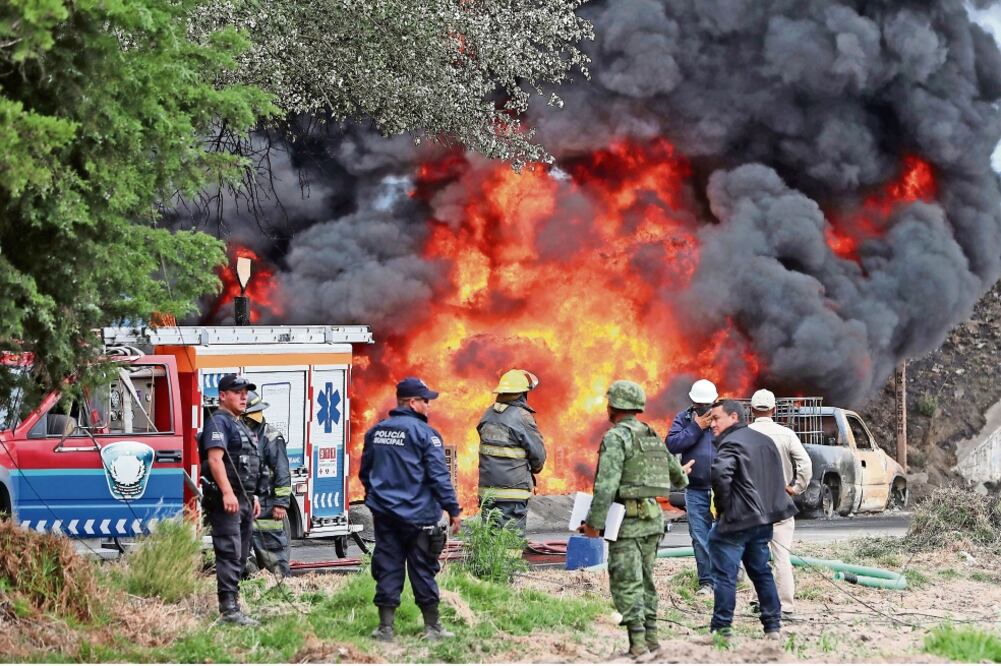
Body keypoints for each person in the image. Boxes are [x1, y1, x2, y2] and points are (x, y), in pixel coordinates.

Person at [581, 380, 691, 657]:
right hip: (653, 521)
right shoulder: (650, 434)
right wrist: (684, 471)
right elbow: (678, 477)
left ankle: (638, 645)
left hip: (628, 524)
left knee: (626, 583)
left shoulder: (616, 437)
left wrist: (593, 524)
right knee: (646, 581)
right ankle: (653, 640)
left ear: (614, 406)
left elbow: (606, 486)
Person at [360, 377, 462, 642]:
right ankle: (432, 628)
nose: (429, 406)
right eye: (426, 400)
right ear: (412, 402)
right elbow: (439, 476)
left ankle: (385, 629)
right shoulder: (425, 434)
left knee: (387, 567)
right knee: (423, 569)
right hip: (419, 518)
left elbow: (365, 472)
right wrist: (453, 508)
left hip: (385, 517)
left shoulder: (377, 431)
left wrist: (377, 499)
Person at [707, 399, 797, 639]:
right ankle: (773, 626)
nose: (712, 423)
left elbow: (720, 474)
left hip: (736, 521)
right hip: (763, 521)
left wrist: (723, 510)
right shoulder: (765, 442)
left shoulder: (730, 443)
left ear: (734, 417)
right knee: (761, 572)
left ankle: (721, 629)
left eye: (716, 418)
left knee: (724, 576)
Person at [199, 374, 264, 626]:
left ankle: (235, 606)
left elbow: (247, 466)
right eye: (238, 391)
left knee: (241, 554)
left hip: (244, 500)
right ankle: (228, 610)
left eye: (246, 392)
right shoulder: (219, 422)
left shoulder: (239, 424)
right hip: (227, 500)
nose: (244, 396)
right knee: (229, 552)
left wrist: (253, 496)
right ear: (223, 395)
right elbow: (215, 460)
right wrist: (227, 492)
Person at [747, 389, 812, 618]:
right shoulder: (786, 434)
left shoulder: (744, 434)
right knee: (782, 556)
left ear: (752, 410)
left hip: (753, 505)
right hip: (780, 504)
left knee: (756, 555)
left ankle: (757, 600)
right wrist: (796, 487)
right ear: (774, 410)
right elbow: (805, 463)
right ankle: (785, 605)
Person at [476, 368, 546, 534]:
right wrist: (535, 469)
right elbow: (538, 456)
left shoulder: (487, 415)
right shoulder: (521, 416)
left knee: (490, 541)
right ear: (522, 394)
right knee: (510, 544)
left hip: (488, 493)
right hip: (512, 495)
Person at [666, 378, 718, 595]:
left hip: (722, 489)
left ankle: (729, 575)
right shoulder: (685, 418)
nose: (703, 408)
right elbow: (672, 443)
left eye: (706, 404)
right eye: (699, 404)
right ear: (692, 402)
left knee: (726, 534)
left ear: (715, 400)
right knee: (699, 536)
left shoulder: (726, 417)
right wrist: (696, 427)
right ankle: (707, 582)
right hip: (695, 489)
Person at [242, 391, 293, 577]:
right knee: (239, 558)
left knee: (274, 557)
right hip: (245, 506)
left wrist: (281, 503)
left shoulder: (272, 438)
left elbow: (282, 472)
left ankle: (283, 589)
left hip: (268, 506)